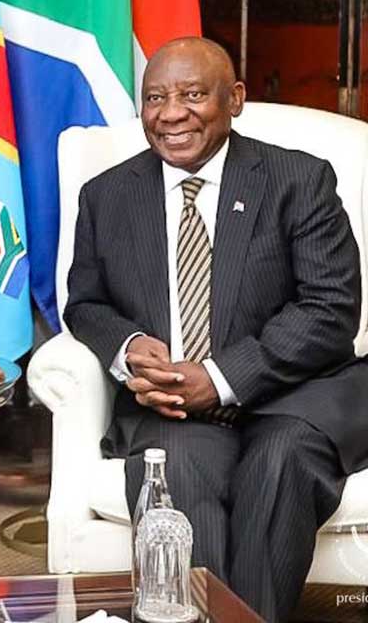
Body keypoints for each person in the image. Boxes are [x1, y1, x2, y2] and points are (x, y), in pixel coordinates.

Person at [64, 36, 368, 622]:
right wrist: (129, 348)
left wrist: (221, 376)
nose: (170, 113)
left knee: (279, 463)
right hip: (174, 410)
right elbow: (86, 304)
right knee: (172, 470)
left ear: (235, 99)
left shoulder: (298, 179)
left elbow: (330, 309)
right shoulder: (107, 195)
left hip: (295, 396)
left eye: (192, 95)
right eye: (155, 98)